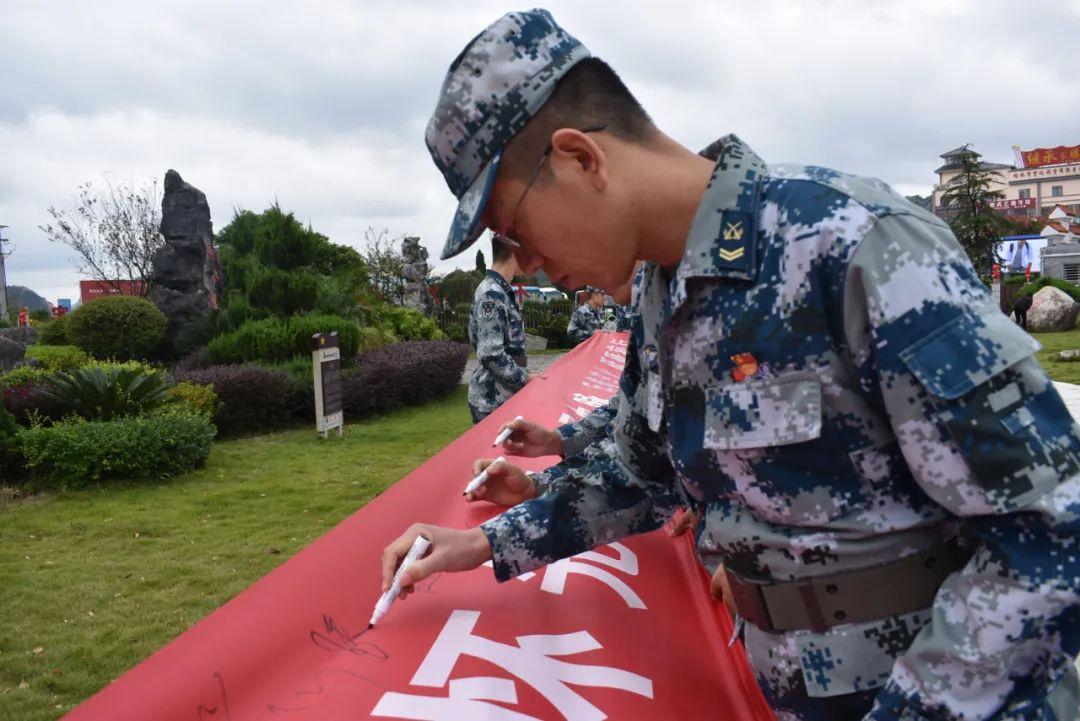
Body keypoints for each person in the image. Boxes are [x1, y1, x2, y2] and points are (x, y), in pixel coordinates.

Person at [385, 10, 1080, 720]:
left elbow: (1053, 523)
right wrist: (479, 542)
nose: (524, 262)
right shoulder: (660, 296)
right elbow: (642, 475)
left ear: (580, 159)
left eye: (516, 229)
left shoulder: (848, 241)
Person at [466, 234, 528, 423]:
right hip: (492, 399)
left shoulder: (500, 291)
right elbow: (491, 354)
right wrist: (525, 379)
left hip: (502, 397)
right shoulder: (492, 294)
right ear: (515, 254)